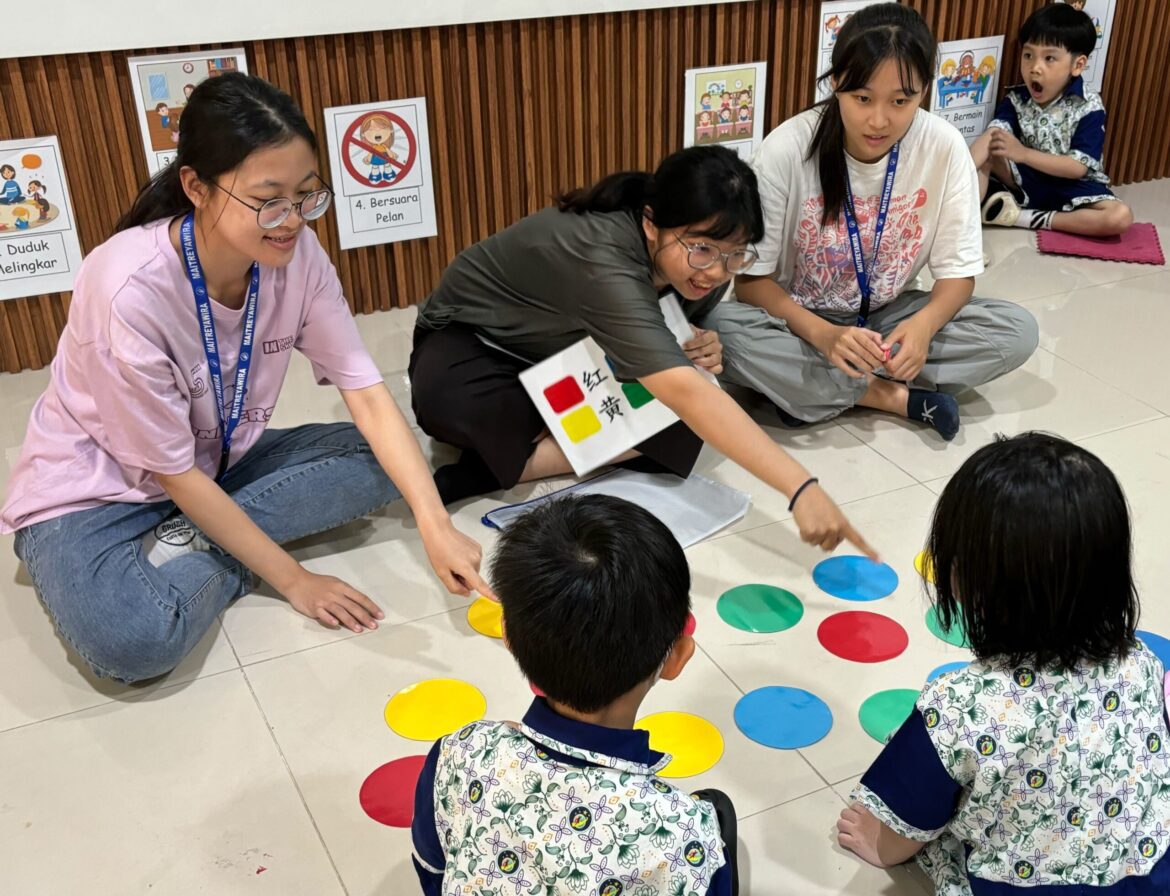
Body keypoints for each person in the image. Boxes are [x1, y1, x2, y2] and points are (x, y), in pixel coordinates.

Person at [0, 73, 490, 683]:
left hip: (218, 460)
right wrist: (294, 578)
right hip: (97, 489)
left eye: (307, 196)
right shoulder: (128, 290)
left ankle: (198, 537)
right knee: (132, 643)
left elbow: (364, 391)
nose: (292, 221)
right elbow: (170, 472)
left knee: (382, 460)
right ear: (196, 187)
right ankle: (220, 544)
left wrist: (434, 523)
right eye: (268, 200)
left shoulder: (298, 255)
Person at [409, 145, 873, 555]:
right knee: (446, 402)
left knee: (692, 417)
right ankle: (500, 457)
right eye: (703, 249)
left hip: (570, 350)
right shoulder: (600, 254)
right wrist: (799, 487)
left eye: (735, 255)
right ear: (652, 223)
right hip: (477, 341)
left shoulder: (691, 268)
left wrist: (698, 338)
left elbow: (679, 340)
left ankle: (495, 467)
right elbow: (679, 385)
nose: (715, 271)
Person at [838, 432, 1170, 893]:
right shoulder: (1143, 662)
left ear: (967, 580)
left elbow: (901, 832)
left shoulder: (958, 707)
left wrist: (878, 844)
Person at [707, 3, 1037, 441]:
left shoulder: (944, 147)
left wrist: (921, 329)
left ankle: (807, 392)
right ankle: (893, 397)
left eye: (901, 101)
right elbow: (751, 285)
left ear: (925, 91)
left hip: (887, 318)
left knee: (1017, 332)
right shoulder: (786, 149)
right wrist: (825, 337)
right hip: (797, 322)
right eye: (862, 98)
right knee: (718, 330)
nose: (879, 119)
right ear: (837, 85)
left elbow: (958, 277)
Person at [412, 494, 739, 895]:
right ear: (676, 658)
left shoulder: (460, 751)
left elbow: (432, 868)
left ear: (508, 636)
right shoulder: (684, 834)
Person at [974, 3, 1132, 236]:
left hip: (1072, 187)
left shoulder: (1089, 106)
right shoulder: (1017, 98)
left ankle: (1023, 218)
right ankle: (959, 222)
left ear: (1078, 65)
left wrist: (1024, 154)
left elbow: (1077, 168)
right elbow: (995, 136)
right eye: (1028, 55)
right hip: (1024, 179)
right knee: (991, 140)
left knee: (1120, 217)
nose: (1035, 68)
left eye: (1049, 58)